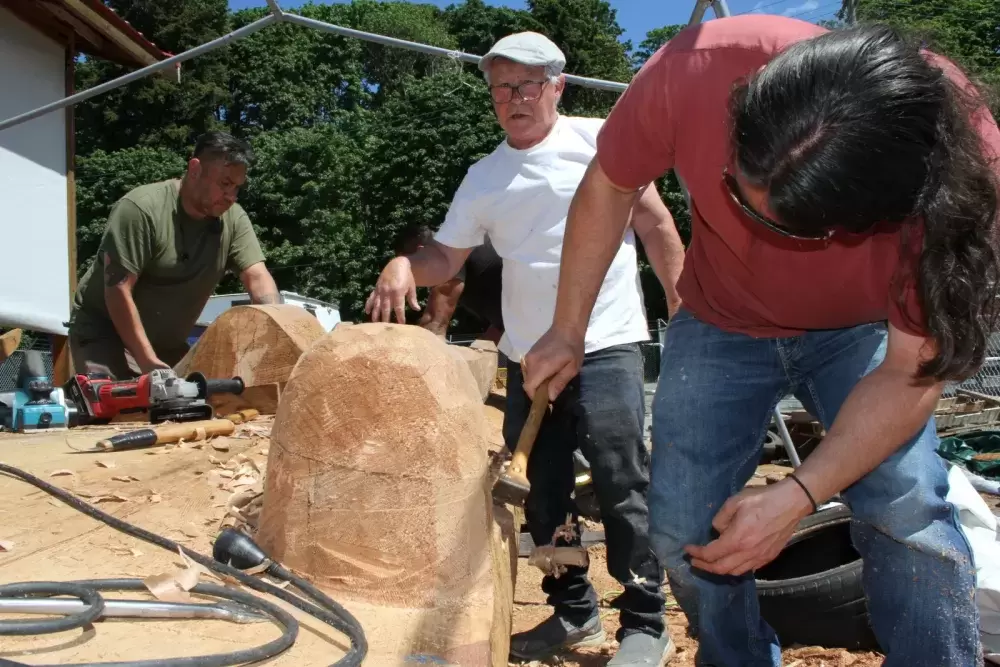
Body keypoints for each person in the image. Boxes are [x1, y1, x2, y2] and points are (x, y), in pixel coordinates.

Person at [522, 15, 1000, 667]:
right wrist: (567, 326)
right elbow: (611, 182)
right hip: (721, 319)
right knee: (682, 529)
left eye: (781, 222)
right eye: (736, 190)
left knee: (907, 504)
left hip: (863, 331)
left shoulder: (963, 178)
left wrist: (801, 492)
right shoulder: (696, 68)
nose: (744, 219)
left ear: (874, 209)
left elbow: (910, 373)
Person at [365, 31, 685, 666]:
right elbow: (447, 257)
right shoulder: (484, 177)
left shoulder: (601, 141)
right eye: (501, 88)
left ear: (557, 86)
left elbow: (655, 225)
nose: (513, 99)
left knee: (622, 483)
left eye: (527, 85)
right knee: (543, 490)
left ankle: (645, 622)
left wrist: (686, 314)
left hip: (605, 344)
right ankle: (573, 614)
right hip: (528, 358)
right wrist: (404, 263)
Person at [69, 131, 281, 380]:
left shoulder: (233, 220)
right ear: (195, 169)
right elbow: (117, 289)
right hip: (104, 333)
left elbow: (257, 276)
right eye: (225, 184)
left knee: (199, 405)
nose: (231, 197)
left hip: (168, 345)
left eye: (237, 188)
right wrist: (148, 362)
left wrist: (278, 331)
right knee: (114, 406)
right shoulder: (141, 209)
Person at [393, 224, 504, 344]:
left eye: (410, 268)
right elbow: (504, 321)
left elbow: (433, 327)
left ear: (421, 252)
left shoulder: (445, 251)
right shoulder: (462, 241)